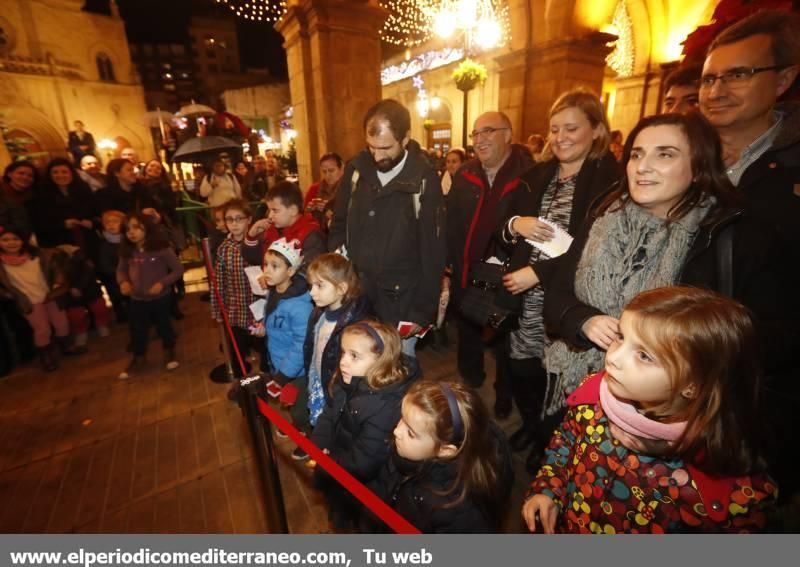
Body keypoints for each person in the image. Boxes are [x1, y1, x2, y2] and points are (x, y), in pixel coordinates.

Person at [540, 112, 792, 421]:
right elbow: (558, 293)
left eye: (665, 154)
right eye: (637, 154)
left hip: (676, 412)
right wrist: (583, 321)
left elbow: (771, 338)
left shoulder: (734, 234)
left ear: (699, 166)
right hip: (582, 390)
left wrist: (671, 348)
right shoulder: (603, 214)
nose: (643, 167)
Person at [523, 286, 778, 533]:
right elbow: (565, 442)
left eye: (644, 356)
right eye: (621, 337)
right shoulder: (592, 397)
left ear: (692, 385)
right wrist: (548, 490)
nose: (613, 358)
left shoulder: (728, 491)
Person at [698, 8, 800, 504]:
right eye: (709, 78)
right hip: (681, 374)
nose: (717, 90)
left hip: (764, 386)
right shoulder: (683, 159)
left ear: (783, 79)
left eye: (738, 74)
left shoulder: (790, 170)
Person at [498, 90, 619, 472]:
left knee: (558, 379)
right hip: (523, 299)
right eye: (554, 129)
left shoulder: (610, 180)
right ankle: (533, 426)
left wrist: (539, 273)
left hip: (568, 299)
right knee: (522, 368)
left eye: (571, 128)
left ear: (596, 130)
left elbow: (593, 246)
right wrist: (516, 224)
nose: (560, 137)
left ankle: (549, 442)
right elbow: (500, 229)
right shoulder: (538, 175)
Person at [328, 99, 445, 356]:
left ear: (406, 138)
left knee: (397, 369)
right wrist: (338, 271)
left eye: (385, 148)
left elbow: (433, 251)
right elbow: (338, 224)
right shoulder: (356, 170)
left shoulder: (424, 179)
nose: (377, 156)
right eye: (371, 147)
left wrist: (421, 311)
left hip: (401, 303)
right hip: (357, 297)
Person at [446, 111, 533, 417]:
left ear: (508, 134)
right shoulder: (465, 174)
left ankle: (504, 395)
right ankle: (471, 379)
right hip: (467, 269)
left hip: (507, 275)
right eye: (475, 134)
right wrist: (449, 262)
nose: (480, 140)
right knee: (468, 328)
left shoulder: (529, 175)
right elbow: (451, 222)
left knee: (504, 339)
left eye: (488, 131)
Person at [311, 321, 419, 529]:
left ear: (381, 361)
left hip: (363, 485)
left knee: (358, 522)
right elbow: (330, 412)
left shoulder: (386, 406)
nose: (343, 362)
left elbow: (364, 462)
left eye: (354, 356)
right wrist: (318, 444)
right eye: (343, 352)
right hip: (339, 466)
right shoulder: (348, 379)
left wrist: (328, 464)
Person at [368, 380, 513, 533]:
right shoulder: (409, 449)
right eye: (402, 418)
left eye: (411, 433)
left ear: (445, 450)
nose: (397, 431)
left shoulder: (455, 513)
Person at [299, 253, 371, 460]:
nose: (312, 292)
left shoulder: (355, 324)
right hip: (318, 380)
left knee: (335, 427)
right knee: (320, 422)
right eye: (311, 285)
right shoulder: (318, 313)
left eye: (320, 286)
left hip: (336, 389)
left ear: (341, 288)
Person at [116, 212, 184, 379]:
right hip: (137, 298)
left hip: (161, 297)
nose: (132, 232)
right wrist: (124, 282)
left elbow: (178, 269)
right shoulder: (127, 251)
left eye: (136, 227)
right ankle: (138, 357)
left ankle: (169, 351)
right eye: (127, 229)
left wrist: (162, 283)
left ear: (147, 228)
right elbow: (121, 270)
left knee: (164, 325)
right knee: (137, 329)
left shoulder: (161, 247)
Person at [252, 237, 313, 420]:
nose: (267, 270)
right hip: (279, 362)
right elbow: (275, 319)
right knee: (290, 404)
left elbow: (301, 345)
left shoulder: (300, 306)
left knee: (300, 409)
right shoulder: (275, 290)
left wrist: (283, 375)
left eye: (275, 266)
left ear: (290, 271)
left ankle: (302, 432)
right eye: (266, 264)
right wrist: (264, 328)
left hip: (295, 372)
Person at [0, 224, 76, 371]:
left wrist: (58, 282)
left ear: (23, 240)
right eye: (5, 240)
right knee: (42, 329)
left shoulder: (38, 255)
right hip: (28, 300)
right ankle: (46, 357)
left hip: (50, 295)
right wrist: (8, 294)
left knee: (62, 323)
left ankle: (66, 346)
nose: (11, 243)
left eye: (15, 239)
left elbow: (56, 268)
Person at [210, 199, 256, 379]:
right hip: (236, 311)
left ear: (249, 219)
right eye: (229, 219)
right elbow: (218, 283)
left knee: (263, 349)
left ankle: (266, 382)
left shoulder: (258, 243)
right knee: (237, 352)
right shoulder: (224, 249)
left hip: (258, 310)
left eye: (239, 219)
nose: (234, 224)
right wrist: (217, 310)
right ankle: (241, 384)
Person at [244, 181, 325, 271]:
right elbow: (253, 259)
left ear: (293, 210)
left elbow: (309, 271)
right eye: (269, 210)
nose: (270, 215)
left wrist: (280, 277)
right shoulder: (271, 229)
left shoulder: (311, 235)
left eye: (275, 210)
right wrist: (251, 236)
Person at [30, 158, 97, 252]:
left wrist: (91, 223)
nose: (60, 175)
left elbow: (95, 212)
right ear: (49, 175)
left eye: (64, 172)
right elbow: (38, 222)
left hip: (87, 239)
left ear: (71, 173)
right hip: (58, 243)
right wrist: (62, 224)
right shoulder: (41, 194)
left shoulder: (83, 189)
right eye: (55, 172)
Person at [59, 244, 111, 349]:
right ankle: (80, 333)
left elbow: (88, 272)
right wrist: (70, 288)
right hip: (70, 292)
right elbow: (60, 278)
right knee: (76, 315)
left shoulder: (82, 258)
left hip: (89, 288)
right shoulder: (58, 261)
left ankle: (102, 325)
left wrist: (79, 287)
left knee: (99, 308)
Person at [96, 210, 128, 323]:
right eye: (107, 222)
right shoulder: (103, 245)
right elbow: (105, 266)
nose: (111, 225)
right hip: (114, 281)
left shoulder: (129, 240)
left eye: (115, 221)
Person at [304, 153, 344, 230]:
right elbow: (303, 218)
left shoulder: (348, 189)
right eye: (324, 172)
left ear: (342, 168)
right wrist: (309, 211)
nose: (327, 175)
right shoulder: (314, 189)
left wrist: (329, 211)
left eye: (331, 170)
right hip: (317, 232)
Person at [1, 161, 37, 234]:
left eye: (30, 175)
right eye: (21, 173)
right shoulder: (2, 195)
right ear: (9, 174)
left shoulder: (34, 196)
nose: (25, 177)